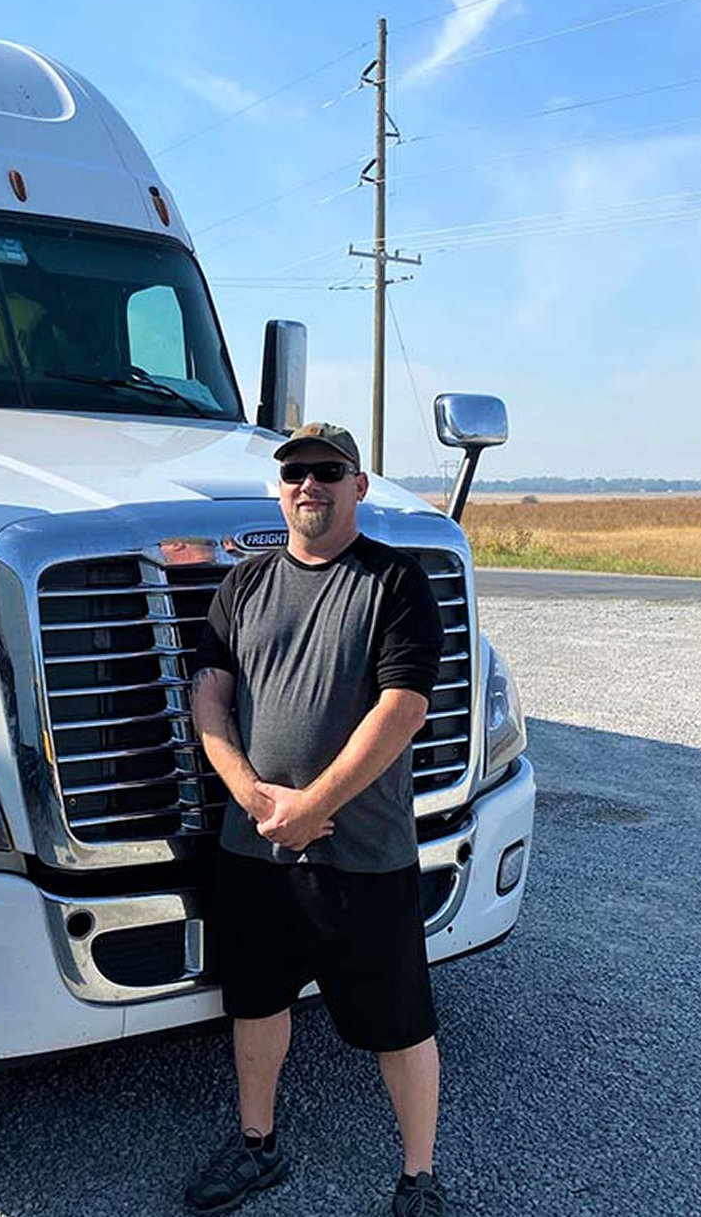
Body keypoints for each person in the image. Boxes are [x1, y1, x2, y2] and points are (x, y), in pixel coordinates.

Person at [185, 422, 448, 1217]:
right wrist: (252, 796)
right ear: (279, 488)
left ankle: (418, 1178)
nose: (309, 483)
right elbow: (209, 694)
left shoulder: (394, 582)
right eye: (295, 471)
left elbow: (401, 708)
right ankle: (256, 1144)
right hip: (254, 848)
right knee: (256, 1003)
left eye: (327, 470)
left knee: (396, 1019)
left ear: (357, 485)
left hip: (360, 853)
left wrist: (313, 807)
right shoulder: (243, 585)